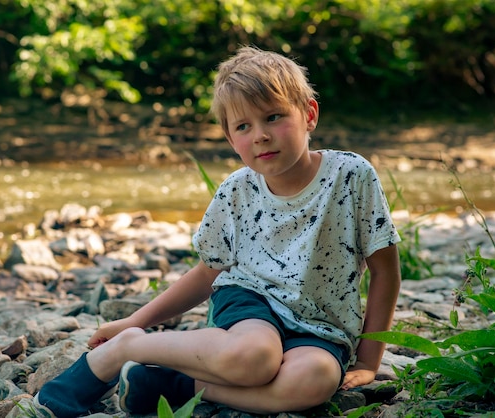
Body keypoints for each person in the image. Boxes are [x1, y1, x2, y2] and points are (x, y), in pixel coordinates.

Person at [31, 45, 402, 417]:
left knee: (316, 380)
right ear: (230, 137)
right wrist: (135, 321)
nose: (260, 135)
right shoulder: (237, 191)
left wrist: (368, 362)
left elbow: (385, 271)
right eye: (244, 126)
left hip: (321, 325)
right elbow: (209, 272)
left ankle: (170, 387)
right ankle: (130, 347)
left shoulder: (351, 176)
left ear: (309, 114)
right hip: (250, 303)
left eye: (273, 117)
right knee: (256, 357)